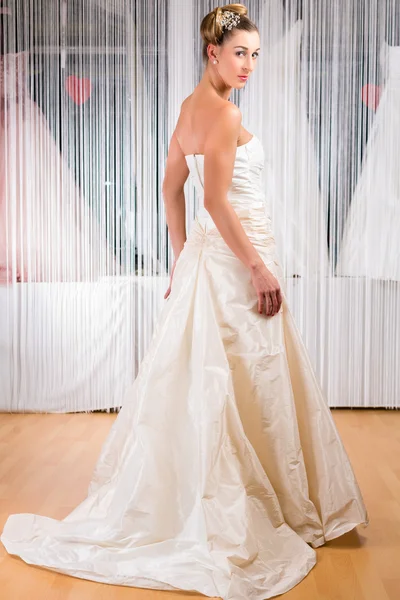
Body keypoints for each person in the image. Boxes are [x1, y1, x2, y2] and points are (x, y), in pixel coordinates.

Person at [1, 4, 368, 599]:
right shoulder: (223, 114)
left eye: (254, 54)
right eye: (239, 52)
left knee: (228, 382)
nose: (248, 64)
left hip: (210, 261)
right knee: (252, 378)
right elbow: (216, 202)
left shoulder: (187, 110)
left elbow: (171, 191)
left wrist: (182, 257)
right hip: (237, 262)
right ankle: (266, 507)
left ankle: (245, 493)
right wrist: (256, 267)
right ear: (212, 53)